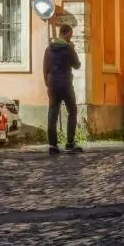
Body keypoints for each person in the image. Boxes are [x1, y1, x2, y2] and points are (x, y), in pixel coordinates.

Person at [44, 22, 83, 155]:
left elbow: (45, 68)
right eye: (70, 36)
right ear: (66, 34)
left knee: (52, 113)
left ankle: (52, 146)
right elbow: (77, 65)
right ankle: (70, 143)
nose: (70, 39)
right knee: (72, 111)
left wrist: (47, 83)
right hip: (66, 84)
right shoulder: (68, 47)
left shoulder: (49, 48)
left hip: (53, 84)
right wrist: (72, 49)